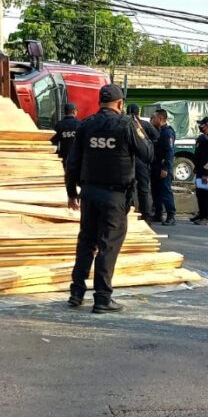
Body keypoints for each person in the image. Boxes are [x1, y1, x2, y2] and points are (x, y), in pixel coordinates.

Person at [66, 84, 153, 313]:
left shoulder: (86, 125)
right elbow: (148, 154)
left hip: (89, 193)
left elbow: (72, 162)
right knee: (108, 245)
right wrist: (137, 126)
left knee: (86, 241)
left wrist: (71, 193)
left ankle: (76, 292)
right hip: (115, 195)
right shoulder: (127, 124)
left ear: (100, 102)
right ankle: (103, 298)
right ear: (120, 103)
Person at [126, 103, 160, 223]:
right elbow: (157, 137)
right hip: (142, 161)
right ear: (138, 113)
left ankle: (128, 214)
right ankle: (146, 216)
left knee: (127, 188)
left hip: (127, 160)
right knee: (143, 189)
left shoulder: (124, 124)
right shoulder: (144, 125)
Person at [190, 117, 208, 225]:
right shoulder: (203, 138)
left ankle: (206, 216)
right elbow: (199, 156)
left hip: (207, 171)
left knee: (206, 194)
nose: (200, 127)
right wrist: (196, 168)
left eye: (202, 125)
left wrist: (206, 174)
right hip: (201, 170)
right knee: (200, 193)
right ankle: (201, 213)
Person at [150, 109, 177, 226]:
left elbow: (169, 152)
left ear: (160, 119)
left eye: (154, 117)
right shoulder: (157, 131)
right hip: (155, 166)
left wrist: (166, 168)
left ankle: (171, 216)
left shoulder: (167, 133)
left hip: (163, 167)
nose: (152, 119)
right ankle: (158, 214)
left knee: (165, 191)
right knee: (155, 191)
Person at [50, 102, 80, 169]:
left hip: (64, 158)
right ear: (74, 112)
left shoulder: (59, 125)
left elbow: (53, 144)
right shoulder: (80, 124)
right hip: (77, 158)